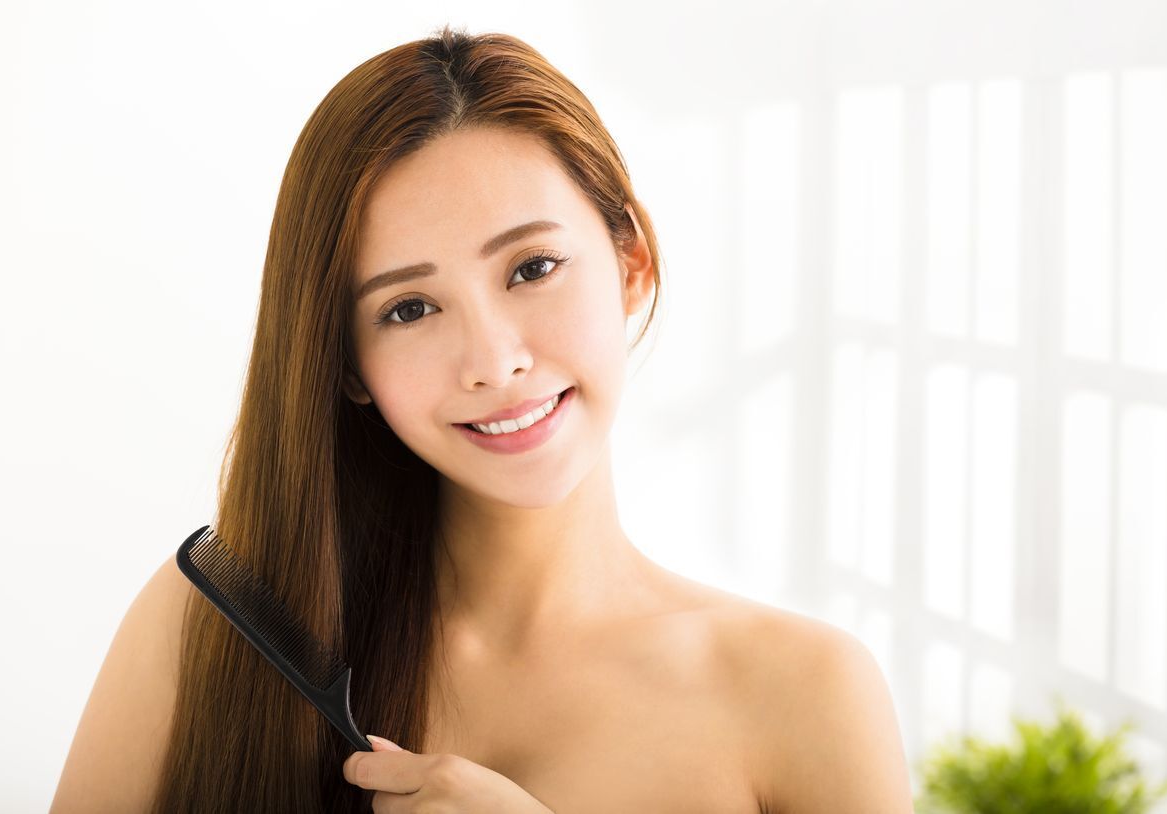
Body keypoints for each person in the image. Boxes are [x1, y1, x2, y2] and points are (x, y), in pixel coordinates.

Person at [50, 24, 913, 813]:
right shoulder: (220, 628)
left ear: (632, 263)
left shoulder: (805, 699)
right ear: (348, 365)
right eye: (409, 309)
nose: (494, 361)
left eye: (533, 267)